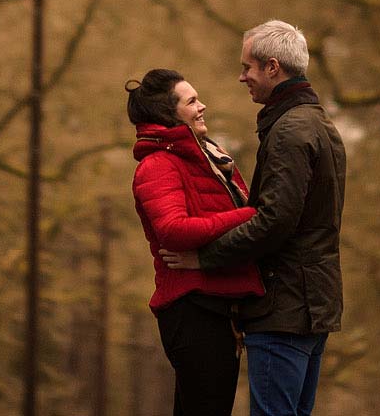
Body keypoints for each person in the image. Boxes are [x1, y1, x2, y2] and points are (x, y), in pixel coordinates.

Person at [161, 21, 345, 416]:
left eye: (248, 67)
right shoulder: (320, 125)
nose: (242, 76)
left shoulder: (289, 133)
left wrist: (204, 258)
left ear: (273, 67)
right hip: (313, 306)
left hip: (284, 309)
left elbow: (274, 221)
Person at [128, 68, 266, 416]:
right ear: (168, 114)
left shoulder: (210, 157)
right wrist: (252, 215)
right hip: (192, 309)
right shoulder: (158, 165)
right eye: (192, 101)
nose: (202, 106)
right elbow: (173, 230)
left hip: (217, 307)